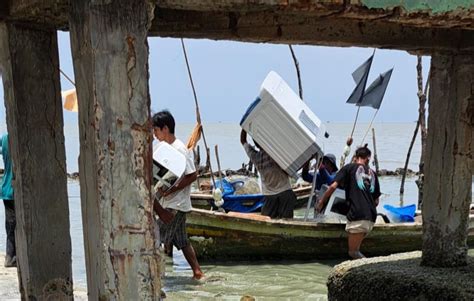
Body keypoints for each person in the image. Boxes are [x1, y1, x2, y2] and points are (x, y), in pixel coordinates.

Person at [152, 110, 204, 280]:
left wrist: (171, 190)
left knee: (155, 238)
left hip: (176, 205)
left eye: (156, 130)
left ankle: (156, 278)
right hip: (171, 203)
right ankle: (197, 272)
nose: (154, 134)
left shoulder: (180, 149)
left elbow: (192, 175)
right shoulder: (163, 148)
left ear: (165, 128)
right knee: (182, 242)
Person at [316, 145, 380, 259]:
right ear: (368, 159)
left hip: (358, 216)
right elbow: (376, 201)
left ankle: (370, 269)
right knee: (355, 249)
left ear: (356, 157)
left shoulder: (348, 168)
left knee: (353, 252)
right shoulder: (373, 174)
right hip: (371, 217)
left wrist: (321, 202)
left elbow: (333, 187)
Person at [240, 129, 296, 219]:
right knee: (287, 223)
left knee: (268, 222)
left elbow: (243, 141)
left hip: (270, 196)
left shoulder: (255, 157)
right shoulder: (276, 152)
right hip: (285, 193)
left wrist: (244, 127)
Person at [0, 134, 15, 268]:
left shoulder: (5, 138)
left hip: (6, 189)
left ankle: (10, 256)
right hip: (15, 190)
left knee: (10, 226)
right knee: (17, 225)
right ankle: (11, 258)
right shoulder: (24, 140)